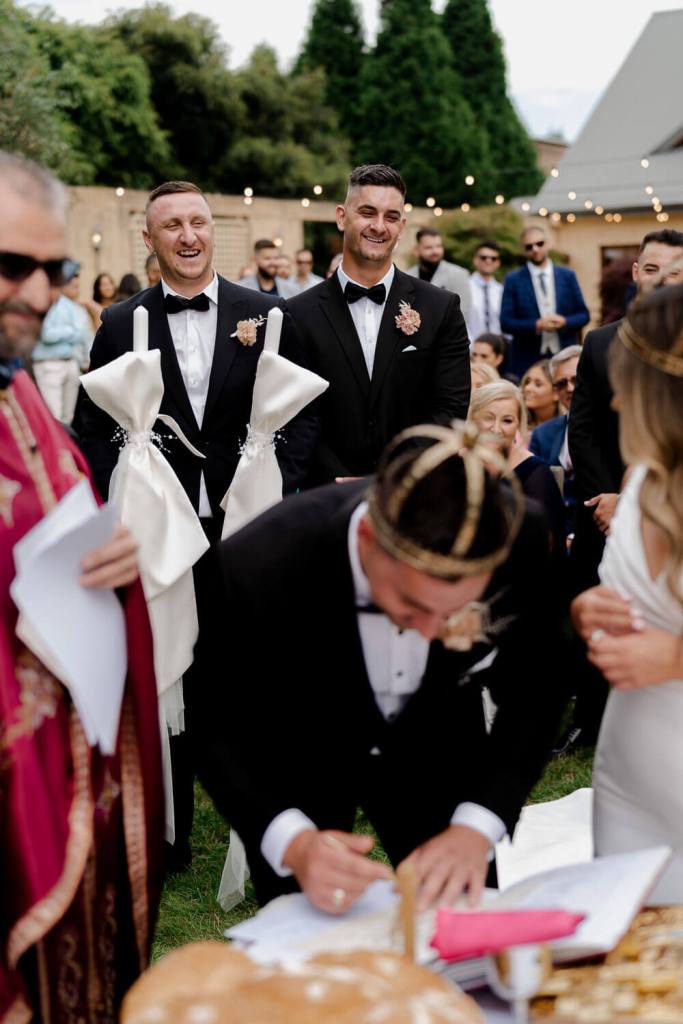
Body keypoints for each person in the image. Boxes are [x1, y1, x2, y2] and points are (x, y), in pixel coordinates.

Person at [193, 422, 564, 912]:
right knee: (312, 959)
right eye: (412, 605)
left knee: (466, 943)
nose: (431, 632)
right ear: (369, 536)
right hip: (304, 754)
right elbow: (213, 720)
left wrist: (477, 826)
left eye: (452, 613)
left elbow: (537, 687)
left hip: (440, 746)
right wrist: (292, 842)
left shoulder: (519, 536)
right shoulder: (257, 565)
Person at [78, 179, 317, 872]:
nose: (188, 237)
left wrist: (281, 485)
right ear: (147, 241)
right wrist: (116, 505)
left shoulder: (268, 315)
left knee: (252, 674)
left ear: (215, 231)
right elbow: (94, 426)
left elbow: (303, 415)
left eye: (198, 223)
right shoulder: (122, 323)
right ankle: (172, 835)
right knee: (169, 670)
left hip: (252, 525)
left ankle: (268, 828)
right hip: (162, 530)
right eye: (171, 227)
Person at [0, 150, 163, 1022]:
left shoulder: (22, 395)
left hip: (63, 778)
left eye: (53, 269)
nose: (38, 293)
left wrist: (119, 567)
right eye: (10, 266)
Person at [571, 277, 683, 903]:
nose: (615, 404)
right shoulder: (639, 482)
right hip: (629, 766)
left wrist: (672, 657)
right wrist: (588, 608)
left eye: (628, 386)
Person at [565, 230, 683, 752]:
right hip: (605, 505)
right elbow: (583, 428)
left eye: (674, 273)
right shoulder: (600, 342)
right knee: (599, 603)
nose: (661, 280)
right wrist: (610, 499)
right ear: (635, 273)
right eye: (652, 269)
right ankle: (591, 720)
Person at [287, 164, 471, 485]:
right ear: (342, 217)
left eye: (390, 217)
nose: (378, 226)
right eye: (368, 212)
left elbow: (449, 407)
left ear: (402, 226)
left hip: (413, 490)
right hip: (327, 495)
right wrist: (335, 478)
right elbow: (296, 412)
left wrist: (392, 475)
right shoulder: (297, 314)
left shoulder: (441, 308)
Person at [468, 381, 565, 563]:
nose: (496, 429)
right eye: (488, 418)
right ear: (473, 418)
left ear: (518, 424)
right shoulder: (459, 464)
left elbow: (543, 547)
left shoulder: (536, 473)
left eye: (507, 420)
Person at [500, 227, 589, 378]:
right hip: (527, 358)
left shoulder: (567, 275)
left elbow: (584, 315)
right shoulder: (513, 279)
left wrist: (565, 321)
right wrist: (536, 325)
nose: (535, 249)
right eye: (529, 246)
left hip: (564, 354)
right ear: (523, 250)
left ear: (547, 244)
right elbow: (506, 322)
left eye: (539, 244)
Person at [529, 345, 581, 538]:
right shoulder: (542, 434)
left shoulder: (614, 427)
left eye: (577, 379)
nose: (570, 388)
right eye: (561, 383)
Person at [32, 262, 92, 423]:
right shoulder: (46, 303)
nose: (76, 289)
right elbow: (47, 334)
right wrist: (73, 332)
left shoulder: (74, 308)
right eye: (73, 286)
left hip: (72, 364)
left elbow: (85, 336)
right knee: (54, 416)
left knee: (68, 418)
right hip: (50, 364)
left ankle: (63, 448)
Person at [406, 227, 471, 321]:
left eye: (439, 246)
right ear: (416, 250)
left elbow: (462, 315)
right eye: (428, 247)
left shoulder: (459, 274)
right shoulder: (407, 276)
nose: (435, 251)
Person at [467, 240, 503, 340]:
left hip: (498, 350)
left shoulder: (502, 291)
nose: (488, 261)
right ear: (475, 260)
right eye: (484, 257)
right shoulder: (465, 287)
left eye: (493, 258)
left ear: (498, 263)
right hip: (470, 350)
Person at [521, 358, 561, 428]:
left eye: (538, 385)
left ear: (556, 393)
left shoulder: (568, 427)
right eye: (527, 382)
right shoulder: (518, 424)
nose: (527, 388)